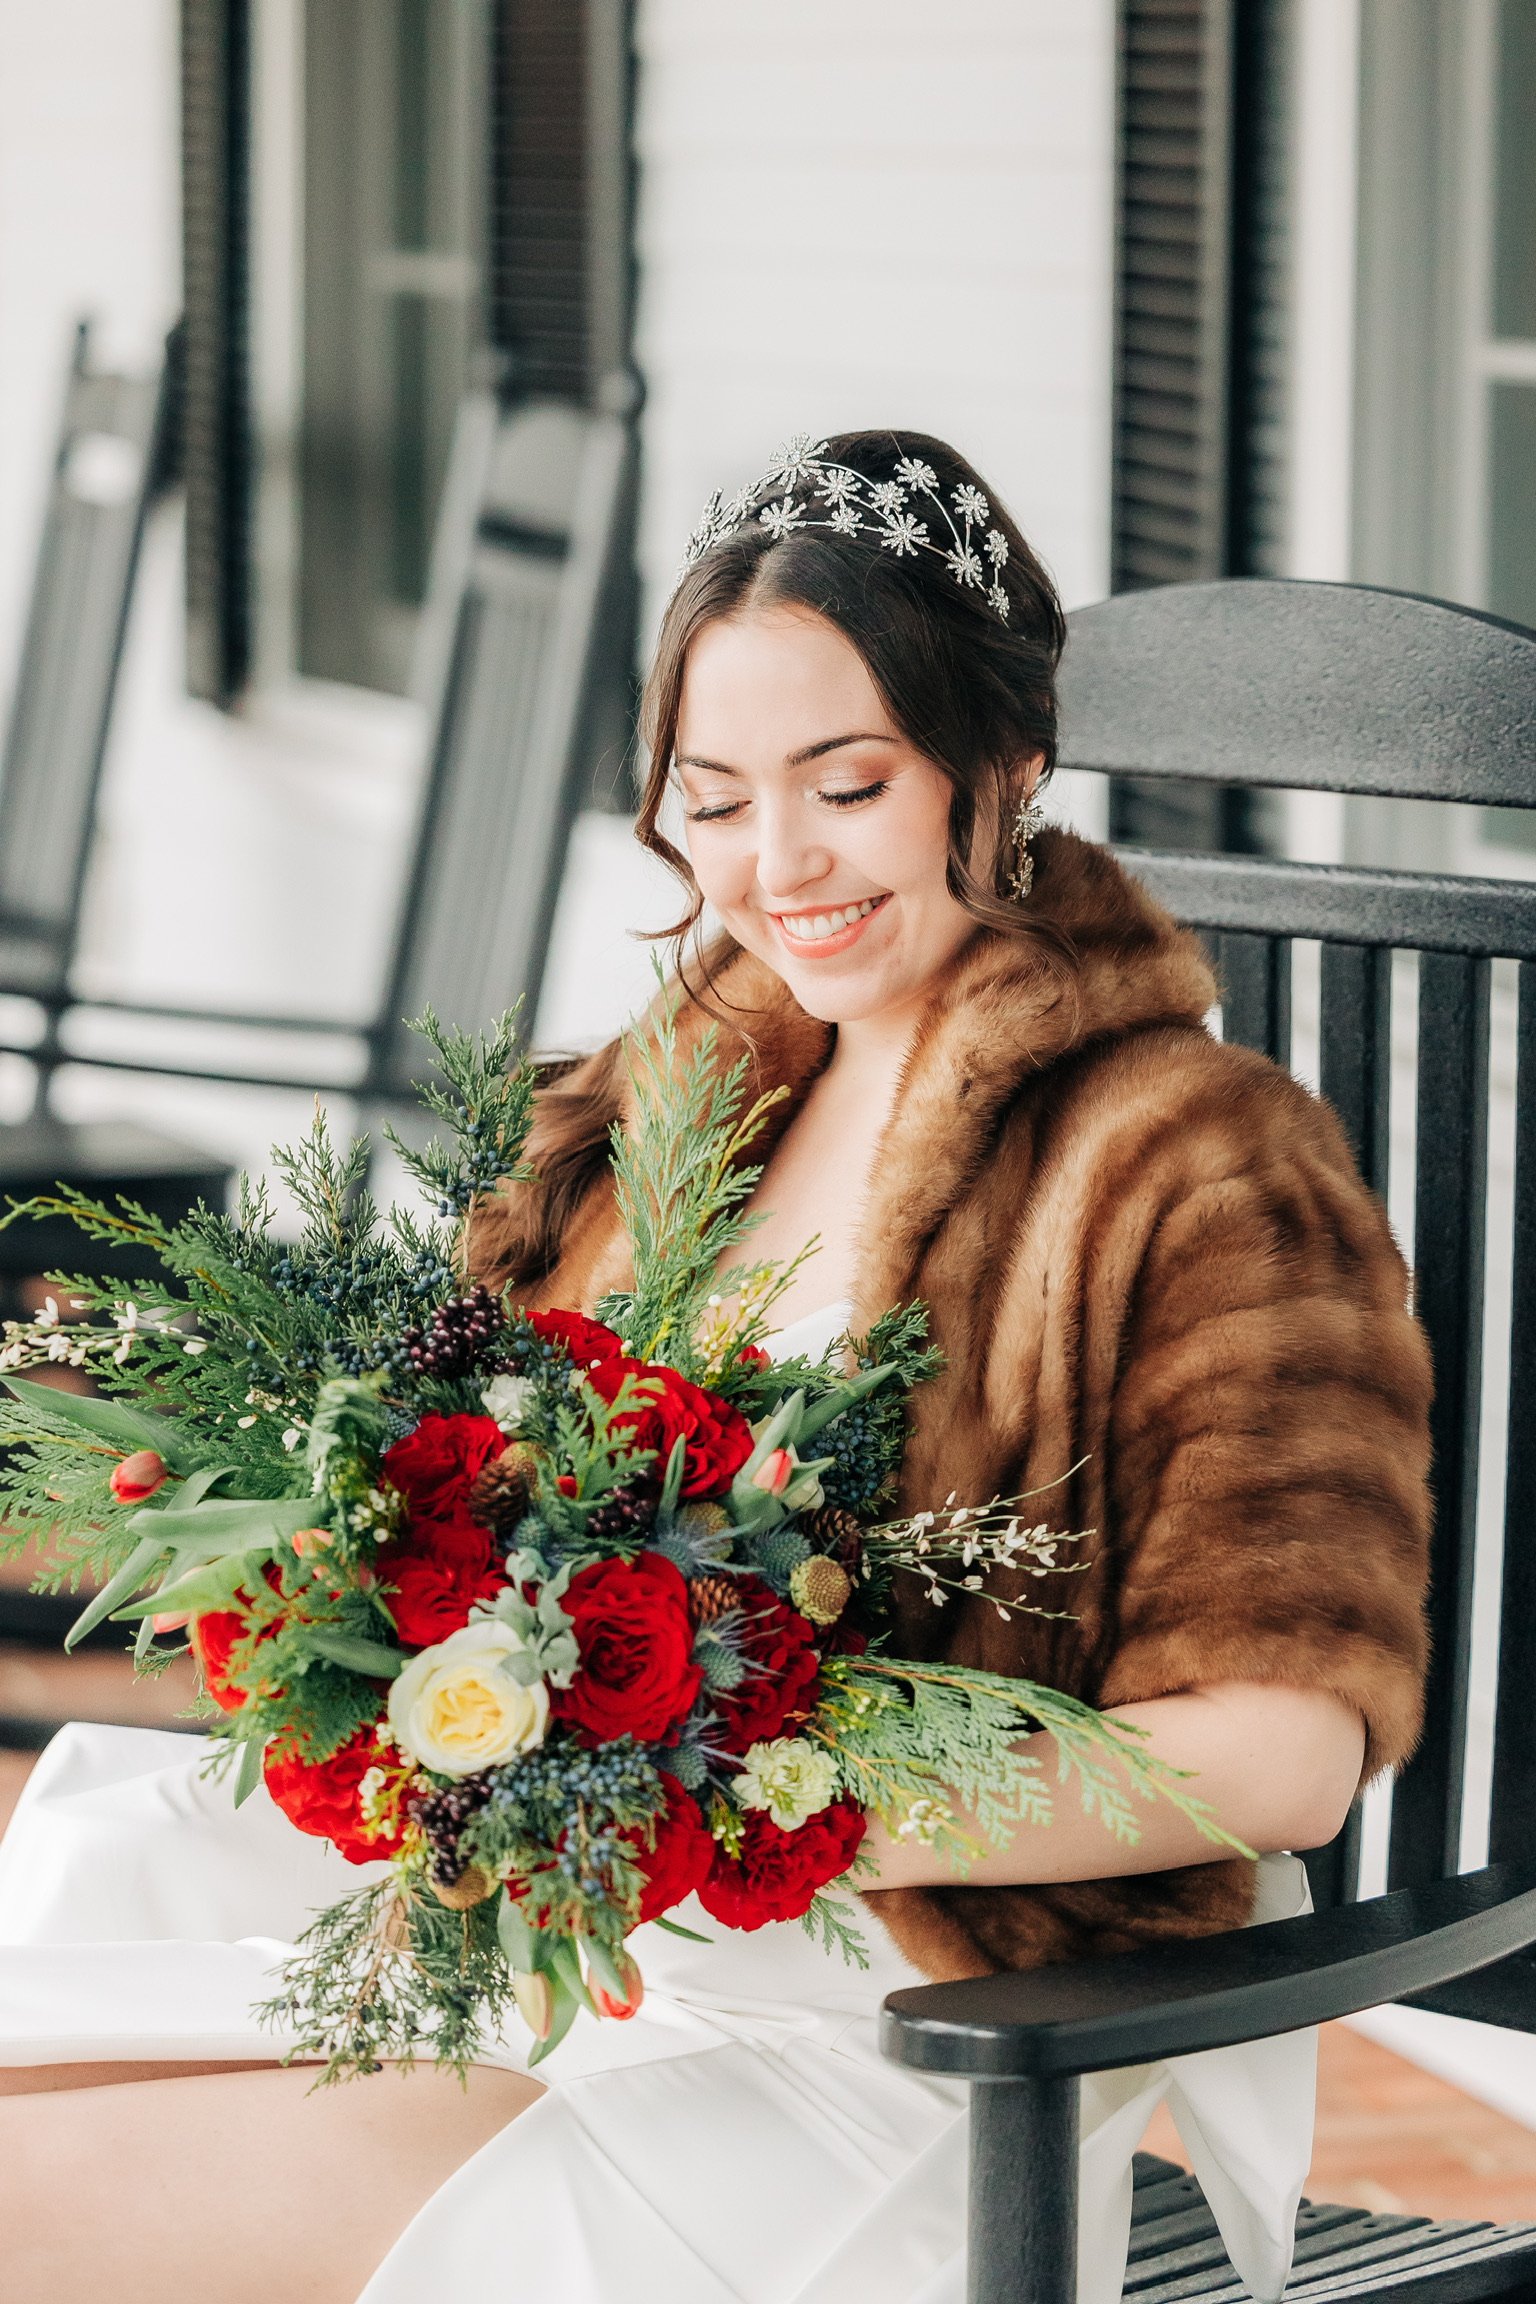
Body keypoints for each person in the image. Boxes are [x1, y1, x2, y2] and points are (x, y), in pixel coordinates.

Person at [0, 430, 1432, 2304]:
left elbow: (1285, 1756)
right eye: (716, 796)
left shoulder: (1196, 1165)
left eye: (849, 785)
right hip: (559, 1934)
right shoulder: (653, 1104)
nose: (780, 867)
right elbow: (472, 1503)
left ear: (997, 775)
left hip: (897, 2032)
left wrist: (745, 1790)